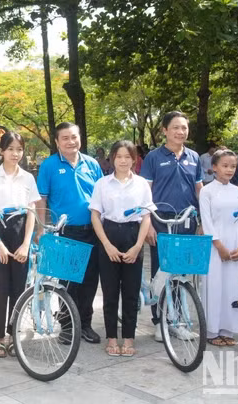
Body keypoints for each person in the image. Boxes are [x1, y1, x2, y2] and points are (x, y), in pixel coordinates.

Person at [36, 122, 103, 344]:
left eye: (74, 137)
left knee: (90, 280)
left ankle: (85, 324)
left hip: (93, 230)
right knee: (67, 281)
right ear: (57, 142)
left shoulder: (92, 164)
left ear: (80, 139)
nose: (70, 141)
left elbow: (101, 195)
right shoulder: (49, 166)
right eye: (65, 138)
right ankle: (67, 326)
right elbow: (42, 198)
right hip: (65, 232)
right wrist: (41, 228)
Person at [140, 111, 203, 342]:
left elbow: (199, 190)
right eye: (175, 127)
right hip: (161, 220)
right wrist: (148, 224)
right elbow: (145, 192)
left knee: (181, 272)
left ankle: (177, 321)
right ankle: (160, 321)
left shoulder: (194, 157)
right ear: (164, 130)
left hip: (187, 219)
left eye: (184, 127)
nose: (180, 132)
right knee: (162, 270)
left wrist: (202, 221)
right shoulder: (153, 158)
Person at [89, 140, 152, 357]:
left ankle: (129, 338)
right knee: (110, 291)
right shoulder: (102, 184)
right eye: (119, 157)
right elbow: (95, 215)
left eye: (127, 157)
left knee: (131, 292)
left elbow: (146, 217)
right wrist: (106, 245)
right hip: (109, 234)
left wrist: (137, 246)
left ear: (134, 159)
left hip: (133, 235)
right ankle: (111, 338)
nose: (123, 161)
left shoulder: (142, 184)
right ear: (112, 159)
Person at [0, 132, 40, 358]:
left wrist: (26, 243)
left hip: (20, 233)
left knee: (18, 289)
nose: (15, 154)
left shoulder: (28, 178)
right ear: (2, 151)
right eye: (11, 149)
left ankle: (13, 335)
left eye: (19, 149)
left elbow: (31, 212)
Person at [199, 149, 238, 347]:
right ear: (214, 167)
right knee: (214, 286)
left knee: (232, 287)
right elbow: (206, 220)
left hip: (235, 244)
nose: (229, 170)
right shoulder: (207, 191)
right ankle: (212, 331)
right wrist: (218, 245)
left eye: (233, 166)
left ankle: (228, 329)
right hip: (214, 246)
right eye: (225, 166)